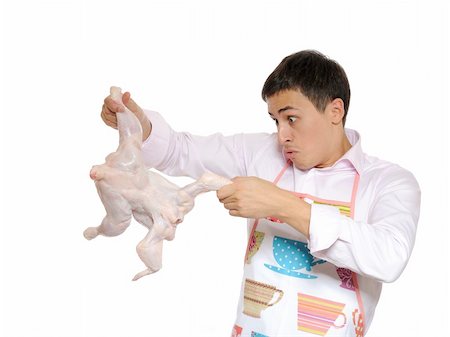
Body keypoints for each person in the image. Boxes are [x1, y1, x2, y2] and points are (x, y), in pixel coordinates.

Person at [101, 50, 421, 337]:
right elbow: (179, 152)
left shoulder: (388, 182)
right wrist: (139, 125)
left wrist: (282, 204)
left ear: (335, 111)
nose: (282, 135)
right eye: (275, 120)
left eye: (292, 118)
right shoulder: (260, 153)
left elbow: (389, 258)